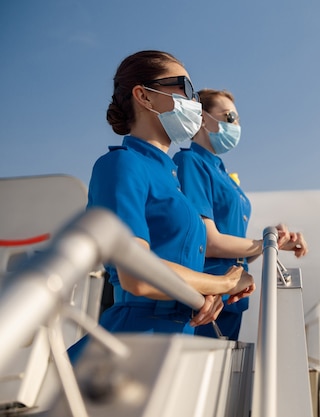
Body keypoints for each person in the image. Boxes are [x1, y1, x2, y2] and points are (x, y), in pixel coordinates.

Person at [88, 51, 255, 337]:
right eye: (186, 88)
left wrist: (205, 296)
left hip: (177, 337)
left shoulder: (171, 180)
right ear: (144, 96)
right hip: (136, 338)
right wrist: (223, 284)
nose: (194, 102)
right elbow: (138, 274)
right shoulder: (122, 164)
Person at [173, 89, 308, 340]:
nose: (236, 126)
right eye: (229, 117)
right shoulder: (191, 162)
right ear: (203, 119)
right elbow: (209, 242)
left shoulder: (222, 172)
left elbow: (234, 251)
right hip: (206, 297)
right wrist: (265, 244)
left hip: (231, 295)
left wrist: (274, 243)